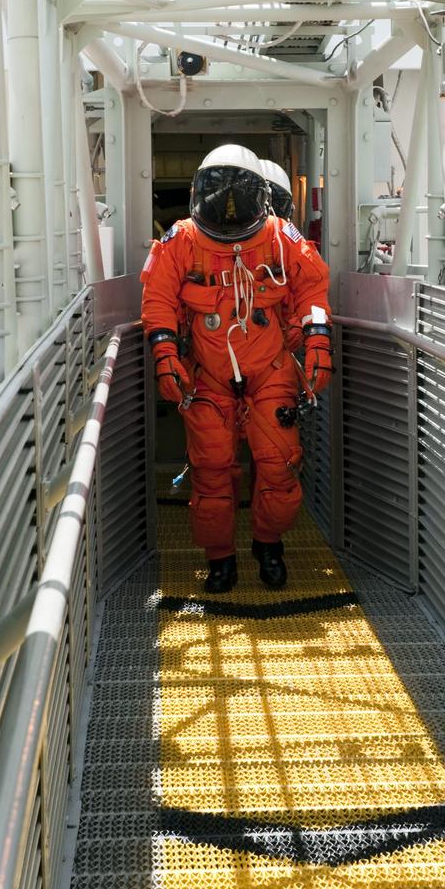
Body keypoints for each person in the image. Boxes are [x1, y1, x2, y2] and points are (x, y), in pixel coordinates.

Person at [140, 144, 332, 593]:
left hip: (270, 371)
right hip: (208, 376)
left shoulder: (281, 237)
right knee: (210, 471)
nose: (228, 213)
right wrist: (165, 355)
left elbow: (313, 288)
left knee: (280, 465)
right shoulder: (180, 241)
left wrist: (318, 338)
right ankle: (220, 558)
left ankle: (269, 546)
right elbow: (158, 302)